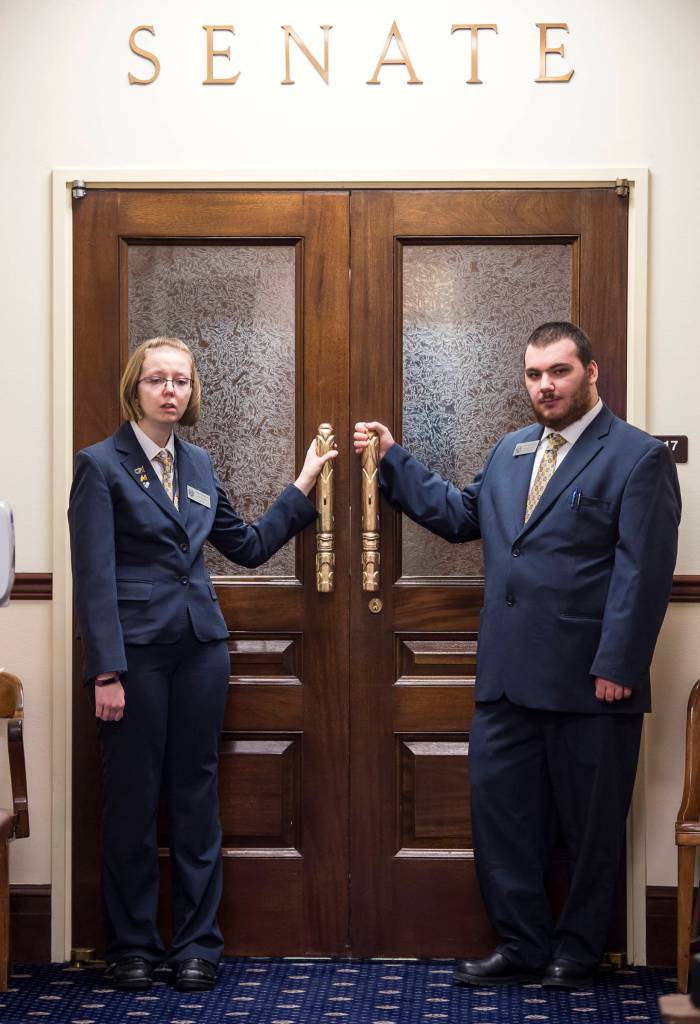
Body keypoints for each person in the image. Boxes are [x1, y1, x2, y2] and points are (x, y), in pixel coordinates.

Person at [354, 322, 681, 989]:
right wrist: (394, 458)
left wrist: (619, 664)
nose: (544, 386)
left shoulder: (637, 456)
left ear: (592, 374)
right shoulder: (510, 451)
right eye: (534, 375)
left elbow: (642, 572)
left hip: (592, 682)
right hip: (505, 680)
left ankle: (578, 951)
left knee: (590, 829)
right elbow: (459, 515)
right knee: (499, 817)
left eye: (558, 372)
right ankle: (523, 944)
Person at [69, 336, 335, 993]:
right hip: (133, 659)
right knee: (131, 803)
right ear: (136, 387)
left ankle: (196, 946)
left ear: (191, 393)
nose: (169, 391)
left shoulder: (197, 464)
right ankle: (130, 946)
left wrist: (302, 486)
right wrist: (105, 670)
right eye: (158, 380)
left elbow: (243, 546)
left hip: (200, 653)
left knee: (196, 799)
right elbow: (93, 576)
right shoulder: (100, 466)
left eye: (181, 381)